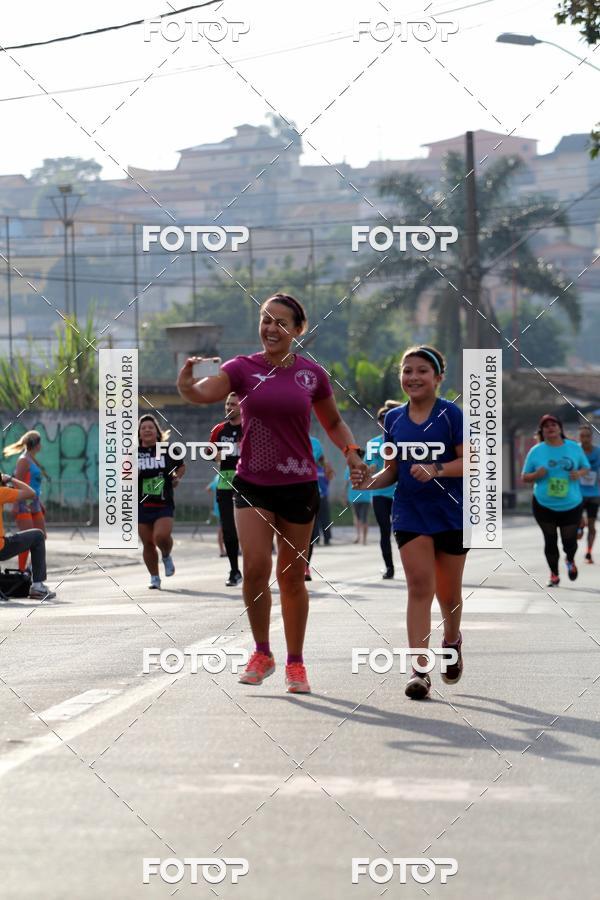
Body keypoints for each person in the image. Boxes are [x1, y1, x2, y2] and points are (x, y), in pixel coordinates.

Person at [177, 292, 366, 694]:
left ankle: (296, 663)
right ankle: (262, 651)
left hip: (299, 485)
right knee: (257, 567)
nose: (271, 328)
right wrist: (187, 385)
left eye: (281, 323)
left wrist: (351, 453)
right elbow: (205, 393)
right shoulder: (242, 369)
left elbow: (333, 423)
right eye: (266, 320)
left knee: (292, 577)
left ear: (298, 330)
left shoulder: (311, 375)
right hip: (252, 482)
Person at [353, 345, 465, 700]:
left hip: (451, 511)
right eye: (407, 371)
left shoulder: (452, 415)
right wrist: (369, 482)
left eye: (422, 371)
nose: (413, 377)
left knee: (449, 594)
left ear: (438, 378)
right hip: (410, 511)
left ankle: (452, 641)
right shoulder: (393, 420)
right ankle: (419, 670)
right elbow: (392, 471)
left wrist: (437, 469)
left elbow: (472, 463)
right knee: (419, 586)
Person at [522, 414, 589, 586]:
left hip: (571, 504)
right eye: (546, 426)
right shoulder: (536, 451)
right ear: (542, 431)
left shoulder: (574, 447)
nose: (550, 428)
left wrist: (578, 473)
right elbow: (524, 477)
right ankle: (554, 574)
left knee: (569, 542)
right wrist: (536, 475)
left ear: (560, 428)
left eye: (553, 424)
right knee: (550, 541)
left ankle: (570, 559)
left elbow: (586, 467)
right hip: (544, 505)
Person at [137, 415, 185, 590]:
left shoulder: (167, 450)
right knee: (148, 543)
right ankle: (154, 577)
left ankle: (166, 554)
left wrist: (177, 478)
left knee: (160, 536)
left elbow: (181, 466)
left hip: (163, 502)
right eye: (144, 428)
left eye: (151, 427)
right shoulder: (133, 453)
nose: (147, 430)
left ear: (157, 432)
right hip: (141, 504)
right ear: (139, 433)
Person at [0, 472, 56, 600]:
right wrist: (10, 478)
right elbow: (31, 493)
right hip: (1, 548)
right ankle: (37, 587)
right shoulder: (1, 492)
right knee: (38, 536)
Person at [209, 393, 243, 586]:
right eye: (227, 404)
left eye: (234, 404)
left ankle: (255, 570)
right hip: (225, 482)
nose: (229, 407)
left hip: (248, 482)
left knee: (249, 530)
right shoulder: (218, 430)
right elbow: (210, 454)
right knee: (228, 529)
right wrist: (216, 455)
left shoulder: (250, 428)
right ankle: (234, 570)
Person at [3, 431, 48, 573]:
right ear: (36, 444)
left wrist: (39, 502)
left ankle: (33, 570)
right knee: (27, 541)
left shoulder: (32, 459)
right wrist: (16, 505)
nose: (41, 445)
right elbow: (18, 482)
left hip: (34, 503)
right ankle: (22, 572)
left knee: (41, 536)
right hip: (24, 504)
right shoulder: (23, 460)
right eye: (40, 442)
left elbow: (34, 484)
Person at [366, 407, 397, 579]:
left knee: (403, 531)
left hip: (400, 493)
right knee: (385, 530)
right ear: (379, 423)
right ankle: (389, 568)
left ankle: (412, 565)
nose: (386, 424)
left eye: (389, 421)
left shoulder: (402, 441)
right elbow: (369, 466)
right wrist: (369, 469)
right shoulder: (373, 444)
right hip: (379, 494)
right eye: (383, 421)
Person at [305, 433, 335, 582]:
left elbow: (322, 460)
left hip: (311, 490)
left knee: (309, 531)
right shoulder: (284, 436)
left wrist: (327, 467)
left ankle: (305, 567)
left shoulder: (315, 442)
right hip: (289, 489)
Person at [577, 423, 600, 563]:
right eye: (582, 436)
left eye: (587, 436)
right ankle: (579, 526)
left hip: (594, 494)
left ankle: (589, 553)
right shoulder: (576, 451)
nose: (585, 439)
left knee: (591, 526)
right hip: (577, 494)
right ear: (579, 437)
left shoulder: (598, 452)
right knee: (579, 524)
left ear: (591, 437)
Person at [346, 465, 370, 544]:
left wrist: (343, 495)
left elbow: (346, 483)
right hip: (364, 496)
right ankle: (363, 539)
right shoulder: (367, 467)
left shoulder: (349, 468)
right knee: (363, 518)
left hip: (355, 496)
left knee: (357, 517)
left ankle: (359, 537)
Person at [205, 474, 227, 557]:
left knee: (222, 528)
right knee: (224, 528)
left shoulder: (217, 476)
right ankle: (223, 550)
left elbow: (208, 489)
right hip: (226, 506)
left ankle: (222, 550)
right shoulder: (224, 475)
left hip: (219, 506)